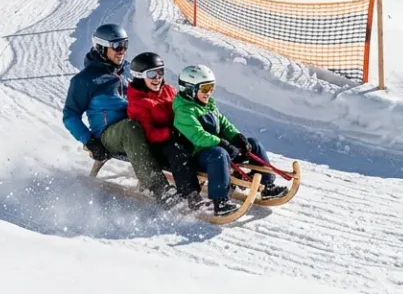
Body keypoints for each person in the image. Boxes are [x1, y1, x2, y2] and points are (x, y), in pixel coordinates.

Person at [62, 24, 175, 203]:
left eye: (125, 45)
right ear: (100, 47)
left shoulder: (131, 70)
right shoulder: (86, 80)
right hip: (111, 134)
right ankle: (158, 188)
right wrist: (90, 141)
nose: (122, 51)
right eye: (116, 46)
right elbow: (70, 115)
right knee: (131, 127)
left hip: (142, 124)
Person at [172, 64, 288, 217]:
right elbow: (198, 136)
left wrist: (237, 137)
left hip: (213, 148)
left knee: (253, 143)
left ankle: (267, 185)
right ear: (189, 89)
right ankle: (220, 201)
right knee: (219, 154)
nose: (209, 93)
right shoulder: (184, 111)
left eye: (212, 87)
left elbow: (224, 124)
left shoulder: (207, 105)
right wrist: (223, 143)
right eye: (205, 89)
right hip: (197, 155)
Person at [124, 52, 202, 207]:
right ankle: (190, 195)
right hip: (156, 146)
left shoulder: (168, 90)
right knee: (177, 150)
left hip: (175, 137)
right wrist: (170, 133)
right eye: (152, 74)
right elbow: (147, 134)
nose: (157, 78)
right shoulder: (138, 103)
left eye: (160, 72)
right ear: (139, 76)